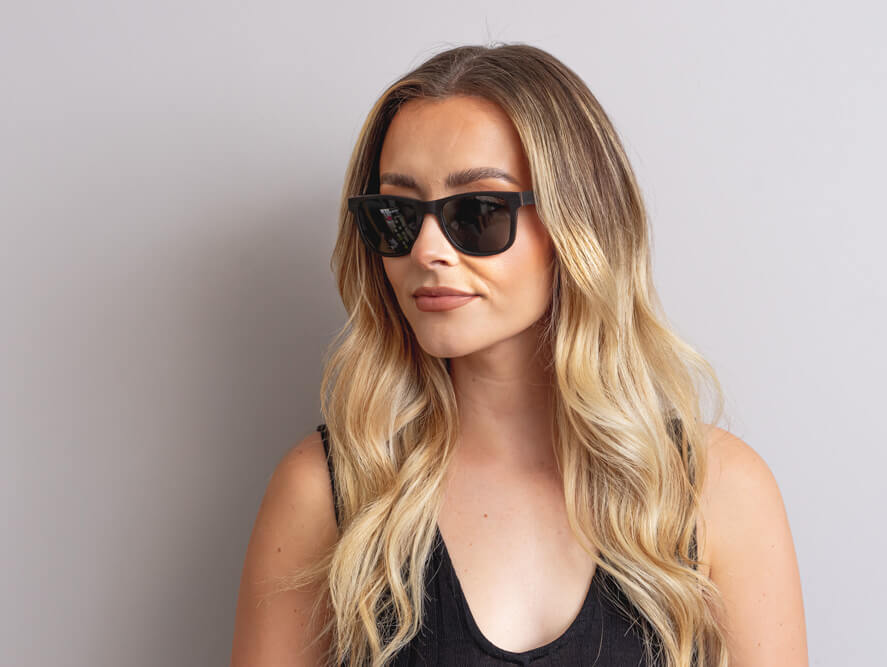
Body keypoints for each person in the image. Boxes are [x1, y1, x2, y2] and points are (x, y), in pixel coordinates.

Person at [231, 43, 808, 667]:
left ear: (575, 226)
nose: (427, 251)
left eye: (478, 211)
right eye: (396, 214)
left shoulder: (717, 491)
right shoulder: (327, 491)